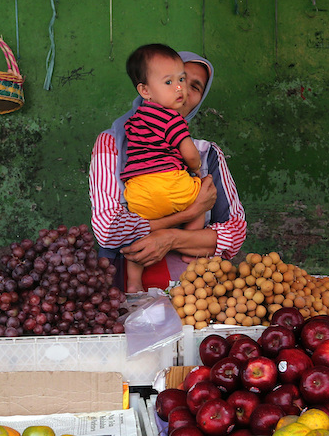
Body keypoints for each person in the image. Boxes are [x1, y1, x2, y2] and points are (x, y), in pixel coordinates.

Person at [89, 50, 247, 292]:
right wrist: (190, 213)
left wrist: (170, 239)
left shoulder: (208, 153)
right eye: (173, 80)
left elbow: (235, 234)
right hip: (124, 296)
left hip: (195, 295)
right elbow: (108, 231)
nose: (181, 90)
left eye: (194, 86)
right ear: (150, 87)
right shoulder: (112, 144)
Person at [119, 44, 207, 292]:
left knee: (138, 234)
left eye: (182, 80)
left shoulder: (134, 120)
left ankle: (134, 282)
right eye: (169, 82)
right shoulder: (172, 118)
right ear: (145, 90)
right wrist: (196, 168)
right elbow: (189, 152)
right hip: (171, 184)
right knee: (201, 196)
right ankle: (191, 254)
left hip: (139, 191)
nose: (180, 88)